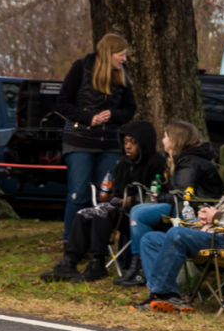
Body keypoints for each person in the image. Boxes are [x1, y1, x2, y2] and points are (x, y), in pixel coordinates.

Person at [131, 137, 224, 312]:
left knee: (177, 235)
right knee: (150, 239)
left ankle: (163, 294)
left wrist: (216, 217)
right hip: (214, 234)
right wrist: (205, 216)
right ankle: (165, 296)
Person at [41, 121, 161, 283]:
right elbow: (115, 190)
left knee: (102, 212)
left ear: (144, 143)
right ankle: (69, 261)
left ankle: (98, 262)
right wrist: (109, 194)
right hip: (118, 208)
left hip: (139, 214)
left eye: (133, 143)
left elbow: (157, 193)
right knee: (83, 213)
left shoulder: (156, 163)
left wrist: (131, 200)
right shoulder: (123, 163)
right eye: (125, 142)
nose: (128, 147)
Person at [115, 120, 222, 286]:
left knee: (139, 213)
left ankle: (142, 267)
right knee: (139, 210)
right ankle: (139, 266)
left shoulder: (190, 162)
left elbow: (183, 195)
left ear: (175, 140)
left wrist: (160, 198)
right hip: (182, 205)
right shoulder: (183, 158)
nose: (163, 141)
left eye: (165, 137)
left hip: (194, 210)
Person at [58, 32, 135, 244]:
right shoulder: (80, 68)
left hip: (109, 144)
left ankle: (98, 241)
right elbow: (62, 103)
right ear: (109, 53)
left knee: (105, 195)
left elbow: (130, 108)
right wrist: (87, 118)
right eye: (121, 54)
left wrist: (114, 115)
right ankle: (71, 241)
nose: (124, 59)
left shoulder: (122, 75)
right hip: (79, 141)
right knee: (79, 193)